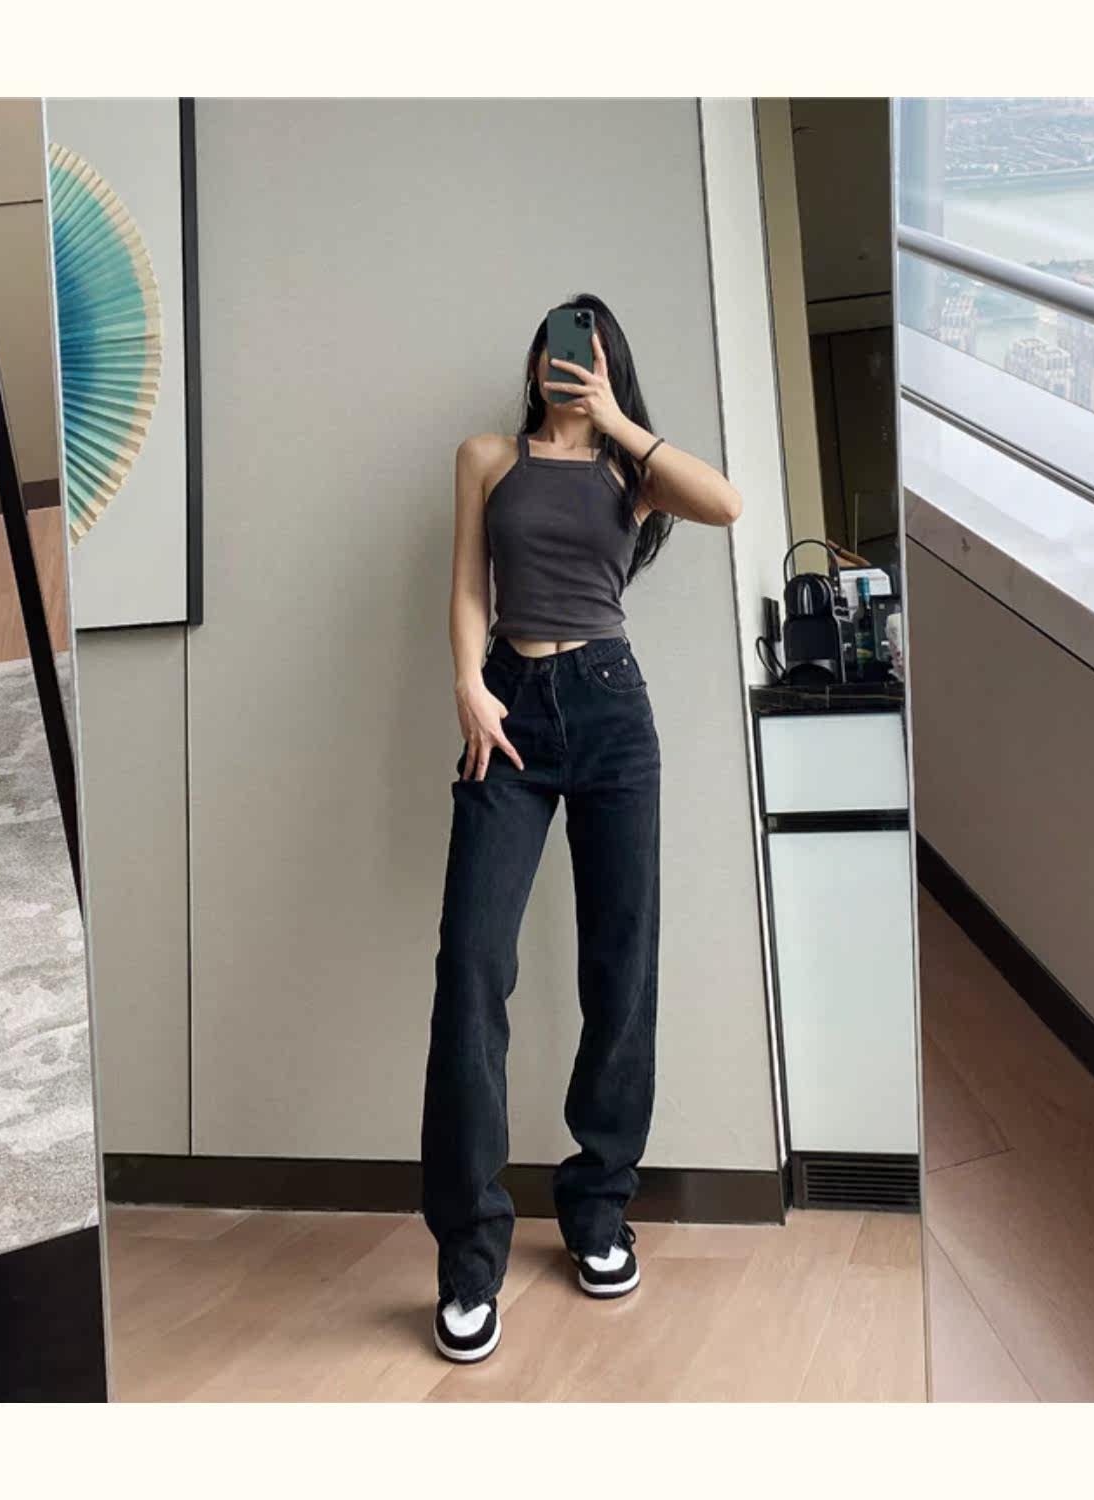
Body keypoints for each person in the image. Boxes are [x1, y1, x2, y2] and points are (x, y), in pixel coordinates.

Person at [421, 293, 743, 1363]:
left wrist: (617, 421)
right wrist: (468, 683)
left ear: (608, 365)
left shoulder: (630, 471)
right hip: (508, 708)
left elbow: (729, 504)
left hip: (611, 711)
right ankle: (470, 1257)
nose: (567, 363)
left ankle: (599, 1209)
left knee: (620, 963)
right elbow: (469, 584)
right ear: (534, 363)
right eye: (557, 348)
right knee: (472, 965)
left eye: (588, 351)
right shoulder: (486, 457)